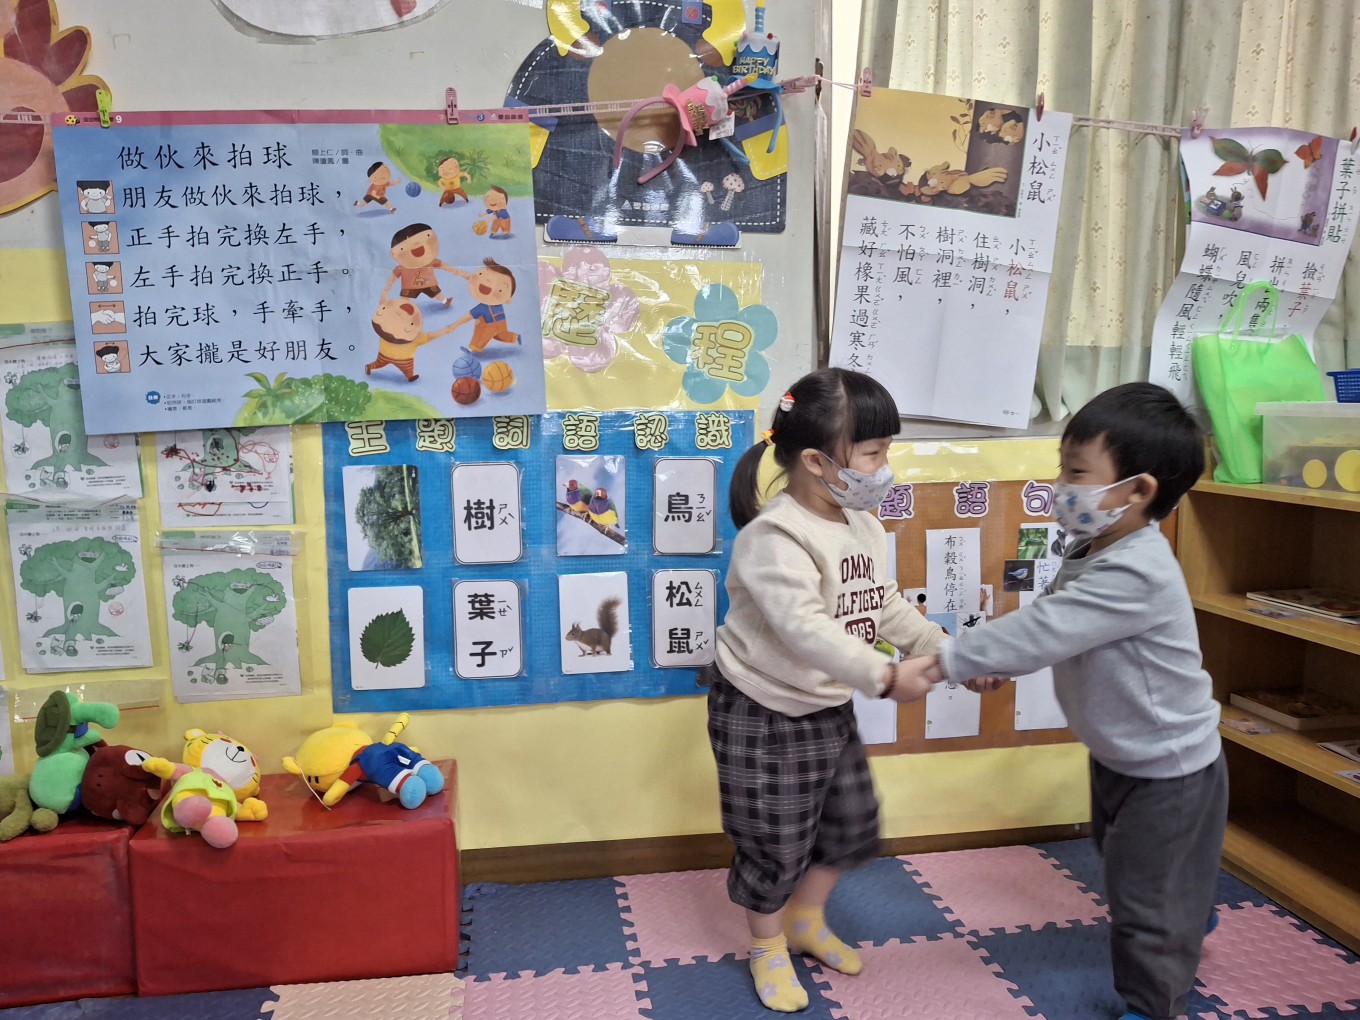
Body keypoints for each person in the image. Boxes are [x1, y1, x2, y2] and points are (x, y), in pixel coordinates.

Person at [930, 382, 1224, 1020]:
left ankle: (1153, 1003)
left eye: (1076, 472)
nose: (1059, 485)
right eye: (1062, 467)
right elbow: (1056, 625)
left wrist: (945, 662)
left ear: (1137, 491)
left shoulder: (1139, 569)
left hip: (1170, 769)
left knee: (1142, 905)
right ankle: (1187, 910)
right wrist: (998, 663)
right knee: (1127, 863)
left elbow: (1045, 629)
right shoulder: (1093, 547)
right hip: (1119, 754)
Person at [708, 367, 946, 1013]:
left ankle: (806, 919)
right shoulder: (775, 538)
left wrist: (939, 646)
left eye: (886, 450)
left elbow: (881, 603)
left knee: (850, 825)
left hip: (825, 703)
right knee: (774, 839)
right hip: (763, 707)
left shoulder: (860, 522)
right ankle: (767, 946)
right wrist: (885, 676)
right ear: (816, 461)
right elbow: (805, 629)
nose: (884, 466)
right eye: (873, 453)